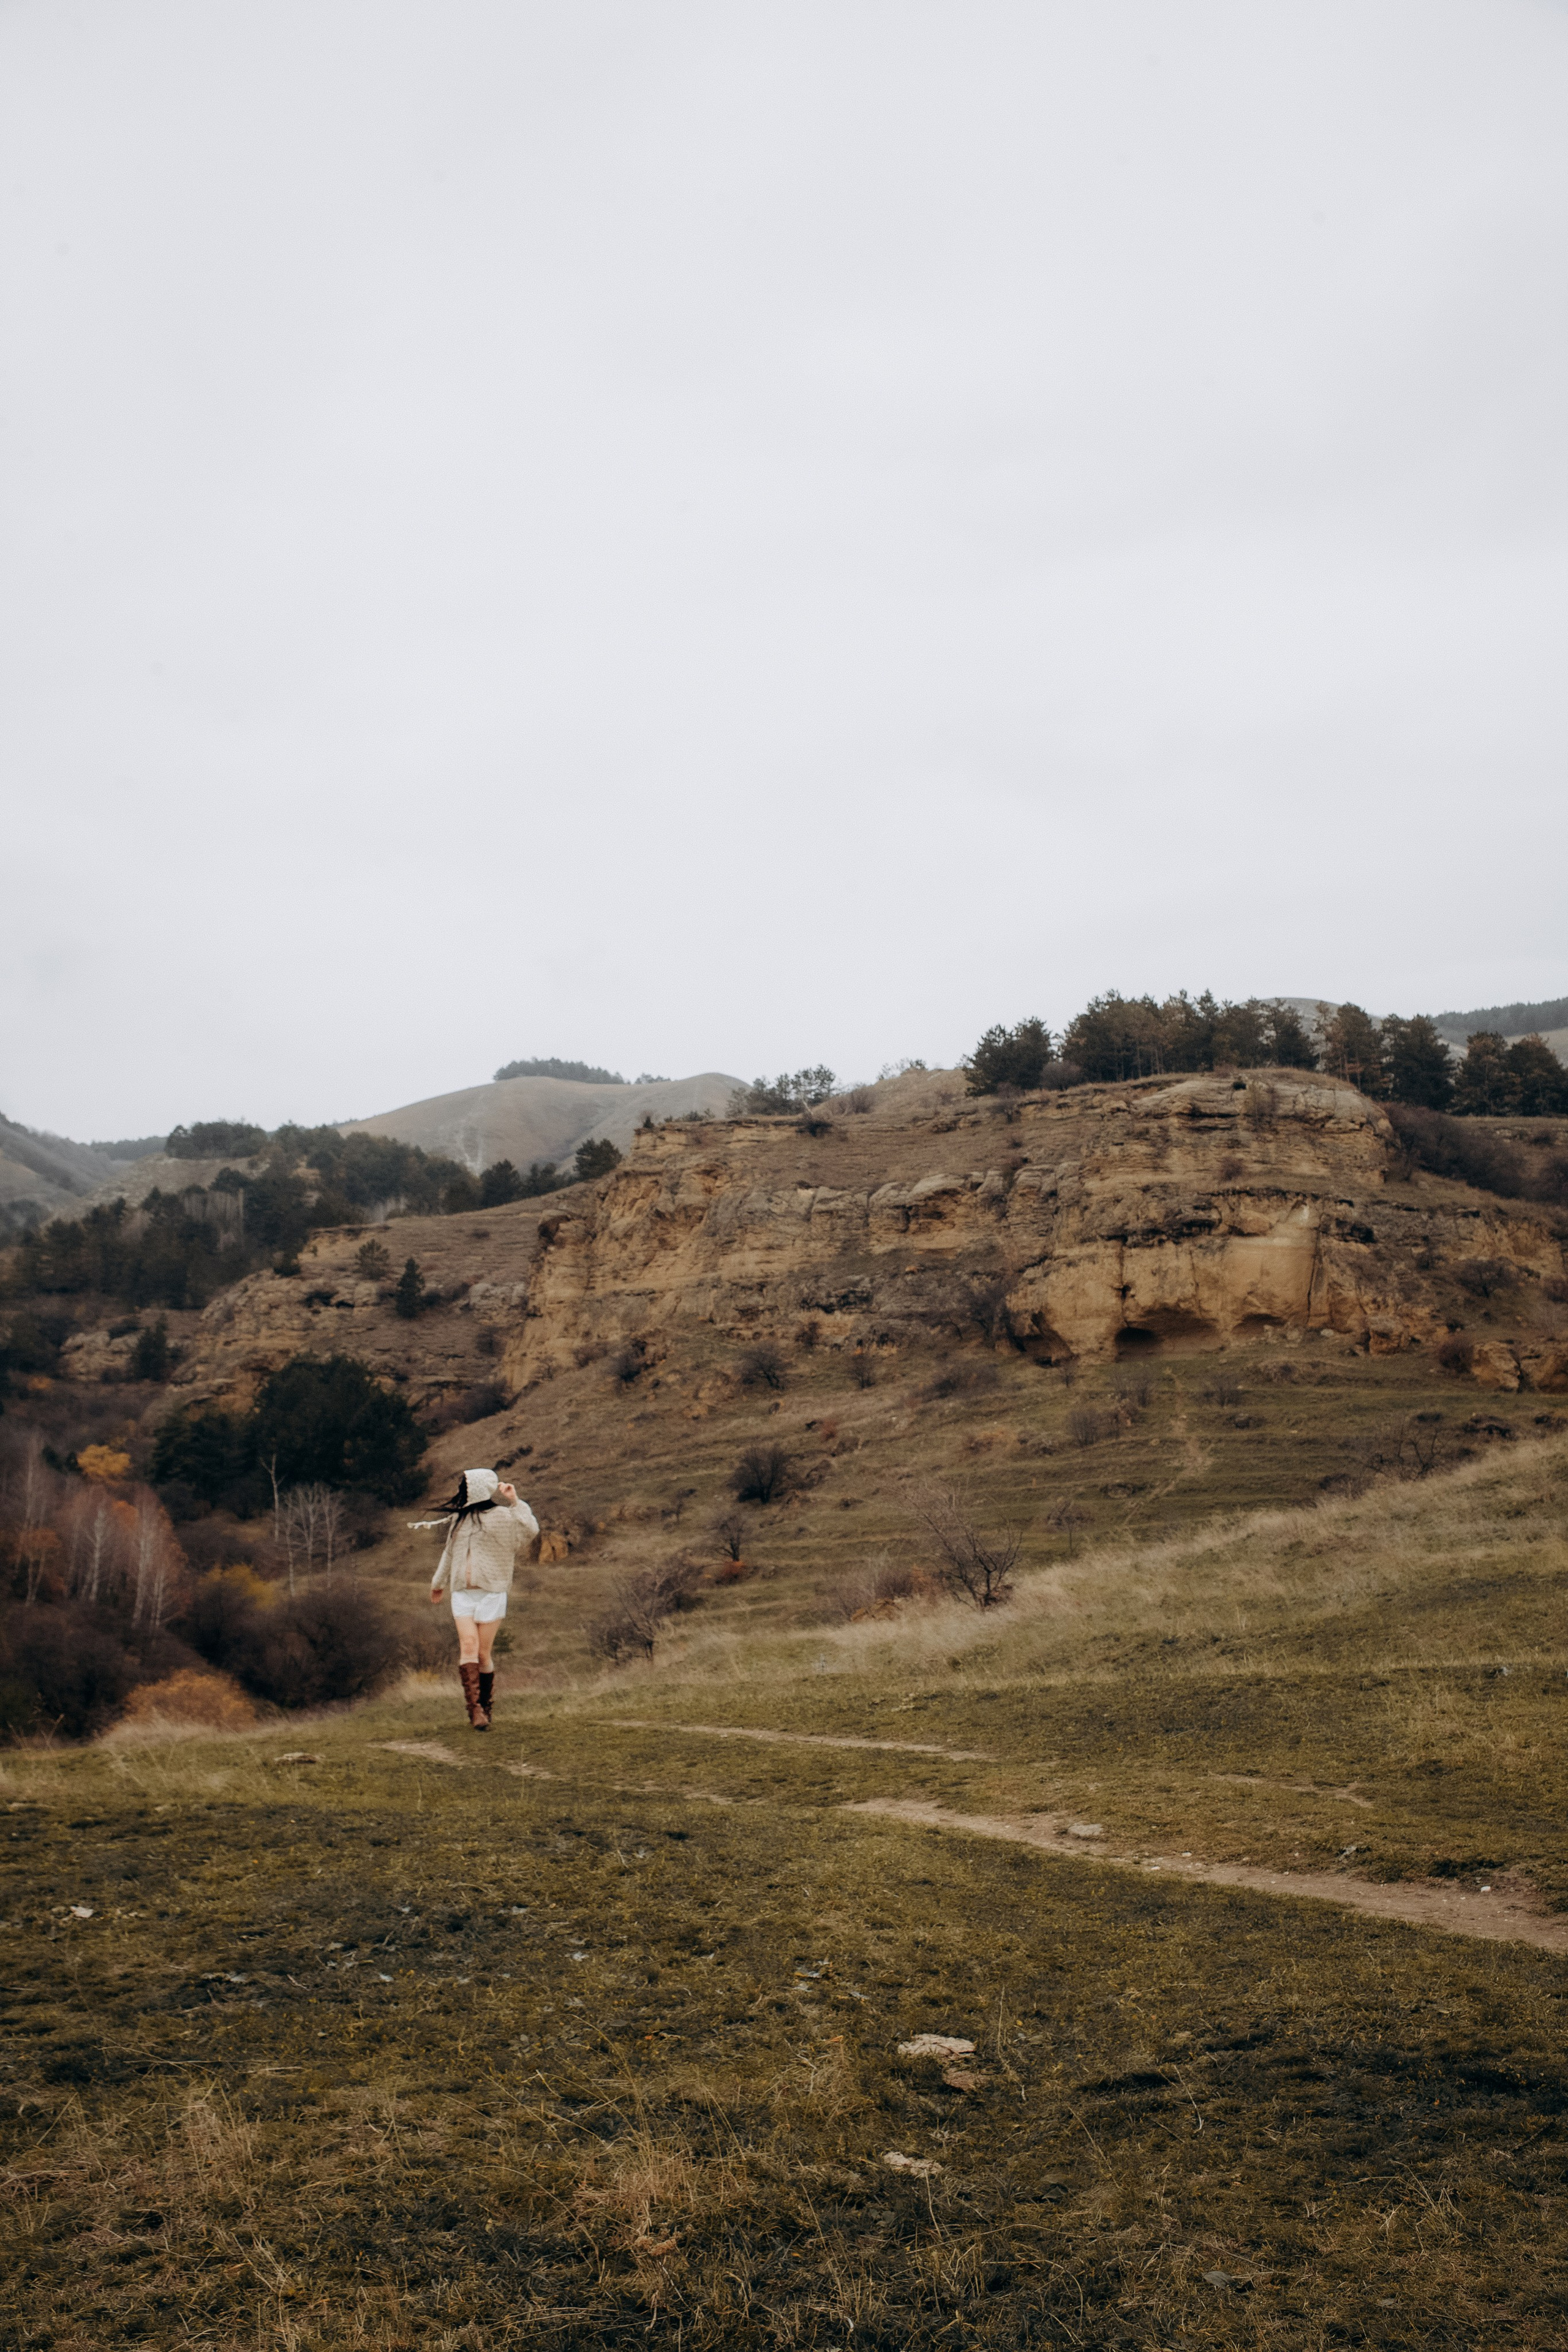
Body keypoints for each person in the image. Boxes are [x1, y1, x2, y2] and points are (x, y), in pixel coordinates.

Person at [426, 1468, 540, 1730]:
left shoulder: (502, 1517)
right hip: (462, 1594)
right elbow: (449, 1552)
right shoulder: (460, 1520)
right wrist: (438, 1582)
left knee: (482, 1653)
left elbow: (530, 1530)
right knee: (468, 1645)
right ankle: (475, 1710)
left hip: (492, 1593)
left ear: (476, 1489)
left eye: (465, 1487)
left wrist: (514, 1501)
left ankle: (486, 1706)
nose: (462, 1493)